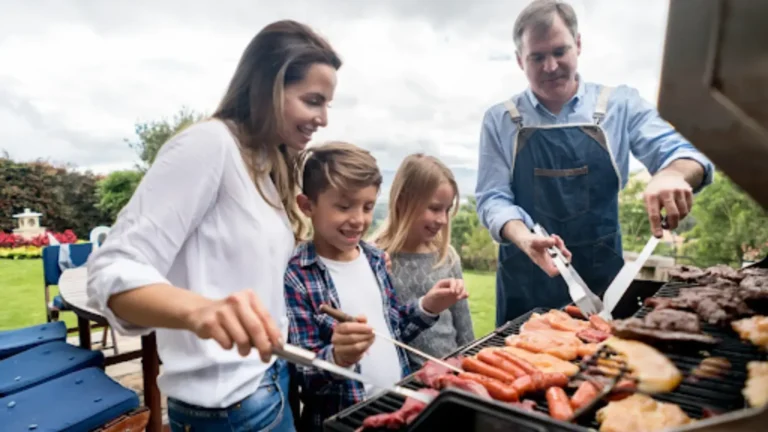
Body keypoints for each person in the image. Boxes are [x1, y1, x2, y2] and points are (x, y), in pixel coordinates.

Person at [86, 20, 342, 432]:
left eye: (328, 104)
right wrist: (200, 310)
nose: (323, 118)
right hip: (231, 413)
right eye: (313, 101)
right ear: (269, 87)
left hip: (269, 384)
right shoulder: (209, 145)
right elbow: (110, 269)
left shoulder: (263, 163)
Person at [475, 0, 715, 326]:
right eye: (537, 57)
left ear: (578, 45)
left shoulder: (620, 104)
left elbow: (686, 155)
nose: (550, 66)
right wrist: (522, 236)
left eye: (559, 51)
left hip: (604, 278)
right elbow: (492, 198)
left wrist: (672, 174)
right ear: (520, 60)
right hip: (525, 276)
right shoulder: (500, 119)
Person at [284, 142, 468, 431]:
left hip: (395, 410)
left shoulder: (374, 260)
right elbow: (303, 375)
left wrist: (427, 306)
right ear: (307, 205)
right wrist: (338, 356)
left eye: (368, 207)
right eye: (344, 206)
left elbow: (393, 329)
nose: (358, 219)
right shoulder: (297, 276)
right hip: (345, 421)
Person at [371, 153, 475, 370]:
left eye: (447, 210)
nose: (442, 220)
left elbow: (464, 327)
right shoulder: (376, 259)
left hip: (451, 375)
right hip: (405, 382)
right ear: (402, 201)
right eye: (435, 208)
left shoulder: (447, 257)